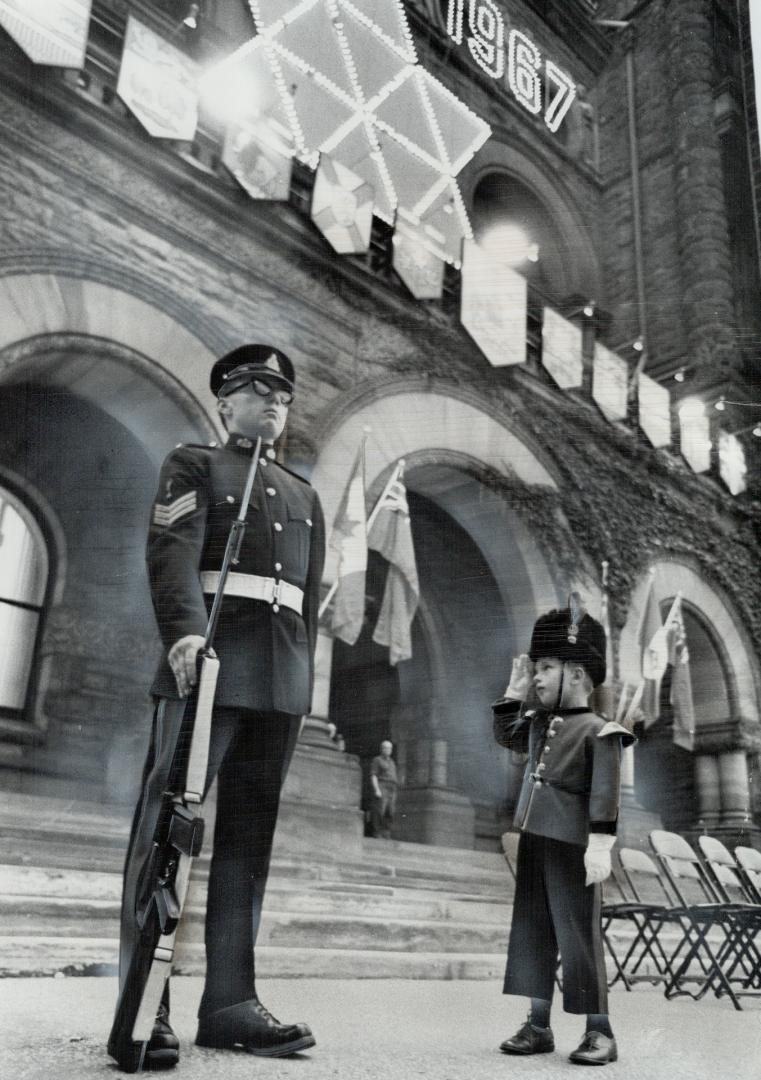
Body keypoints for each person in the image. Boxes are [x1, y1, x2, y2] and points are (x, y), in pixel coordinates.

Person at [110, 344, 325, 1068]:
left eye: (281, 395)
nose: (271, 403)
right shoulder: (194, 465)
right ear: (225, 402)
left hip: (280, 681)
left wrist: (304, 683)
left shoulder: (303, 495)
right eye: (255, 390)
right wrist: (183, 638)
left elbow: (307, 599)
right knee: (168, 833)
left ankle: (231, 1004)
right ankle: (147, 1007)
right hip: (207, 663)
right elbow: (169, 553)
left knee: (246, 846)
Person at [491, 600, 633, 1066]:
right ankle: (537, 1025)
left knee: (577, 936)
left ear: (575, 673)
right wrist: (513, 692)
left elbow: (605, 793)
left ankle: (600, 1031)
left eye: (545, 668)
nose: (536, 677)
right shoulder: (537, 722)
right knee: (533, 931)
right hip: (534, 838)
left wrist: (600, 843)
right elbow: (507, 737)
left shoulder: (600, 730)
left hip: (574, 846)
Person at [369, 739, 398, 839]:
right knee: (380, 810)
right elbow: (374, 775)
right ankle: (377, 832)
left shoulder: (392, 762)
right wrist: (377, 789)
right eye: (386, 748)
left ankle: (386, 832)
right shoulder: (377, 760)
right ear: (382, 749)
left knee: (390, 811)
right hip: (382, 786)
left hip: (392, 788)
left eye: (390, 748)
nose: (388, 750)